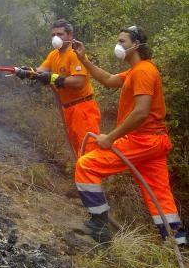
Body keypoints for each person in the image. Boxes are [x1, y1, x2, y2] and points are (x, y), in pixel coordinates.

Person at [72, 26, 187, 245]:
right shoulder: (138, 70)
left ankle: (99, 226)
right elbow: (107, 80)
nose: (118, 45)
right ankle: (176, 245)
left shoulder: (143, 71)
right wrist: (83, 59)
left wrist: (111, 137)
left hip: (143, 139)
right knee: (160, 197)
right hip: (155, 141)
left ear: (136, 45)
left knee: (86, 166)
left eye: (122, 41)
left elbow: (141, 112)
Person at [16, 19, 101, 157]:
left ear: (70, 35)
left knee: (88, 152)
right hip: (67, 109)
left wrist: (54, 78)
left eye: (60, 34)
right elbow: (40, 71)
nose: (56, 38)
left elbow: (79, 81)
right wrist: (26, 72)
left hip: (83, 108)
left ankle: (90, 177)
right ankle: (82, 178)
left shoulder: (75, 54)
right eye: (53, 35)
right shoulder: (53, 55)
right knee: (78, 151)